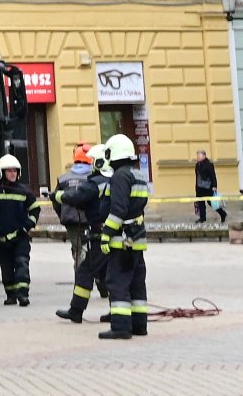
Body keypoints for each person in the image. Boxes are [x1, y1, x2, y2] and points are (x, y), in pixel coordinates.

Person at [97, 133, 150, 340]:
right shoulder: (138, 175)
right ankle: (139, 325)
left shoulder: (119, 177)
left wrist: (106, 235)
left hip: (122, 240)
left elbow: (118, 210)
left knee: (117, 281)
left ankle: (120, 327)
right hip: (137, 239)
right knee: (137, 282)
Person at [55, 148, 114, 324]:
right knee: (108, 274)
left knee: (86, 272)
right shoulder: (112, 180)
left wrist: (56, 195)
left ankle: (76, 310)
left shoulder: (94, 183)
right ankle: (117, 310)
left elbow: (76, 198)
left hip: (99, 236)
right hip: (110, 234)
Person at [0, 153, 41, 306]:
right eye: (9, 171)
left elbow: (35, 210)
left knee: (22, 264)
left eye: (15, 171)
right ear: (2, 173)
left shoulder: (24, 191)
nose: (13, 174)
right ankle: (11, 295)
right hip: (1, 238)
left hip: (20, 236)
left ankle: (23, 295)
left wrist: (27, 226)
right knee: (6, 269)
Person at [51, 144, 97, 269]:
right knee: (88, 246)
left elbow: (56, 201)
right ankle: (85, 272)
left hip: (70, 220)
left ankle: (80, 271)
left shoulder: (63, 179)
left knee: (77, 247)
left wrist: (62, 215)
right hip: (90, 220)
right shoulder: (94, 177)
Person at [193, 150, 226, 223]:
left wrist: (214, 186)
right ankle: (202, 218)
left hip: (208, 187)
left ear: (204, 156)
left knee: (211, 202)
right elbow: (197, 176)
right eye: (197, 156)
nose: (197, 157)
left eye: (199, 156)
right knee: (200, 203)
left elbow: (213, 176)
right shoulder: (197, 165)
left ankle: (222, 213)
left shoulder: (209, 165)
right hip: (199, 187)